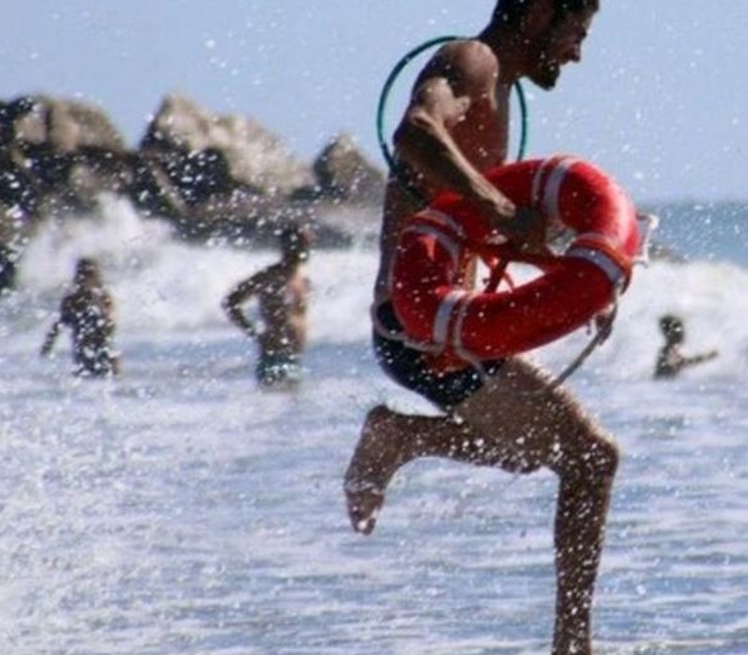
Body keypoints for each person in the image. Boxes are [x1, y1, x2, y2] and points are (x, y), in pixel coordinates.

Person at [343, 2, 614, 653]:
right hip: (419, 327)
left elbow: (474, 228)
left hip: (433, 329)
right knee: (591, 459)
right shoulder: (472, 60)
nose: (576, 53)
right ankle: (572, 646)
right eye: (574, 34)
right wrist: (496, 201)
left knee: (540, 452)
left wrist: (588, 274)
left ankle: (401, 436)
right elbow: (414, 133)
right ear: (541, 12)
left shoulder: (501, 89)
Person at [222, 224, 313, 390]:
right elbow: (231, 302)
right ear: (287, 245)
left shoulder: (302, 278)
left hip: (295, 358)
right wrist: (255, 333)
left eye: (308, 243)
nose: (306, 248)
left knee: (294, 413)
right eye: (301, 243)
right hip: (274, 357)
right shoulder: (270, 276)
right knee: (274, 409)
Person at [40, 257, 121, 378]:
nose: (84, 279)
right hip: (83, 359)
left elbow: (110, 326)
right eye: (81, 275)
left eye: (88, 275)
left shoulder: (103, 297)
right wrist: (46, 348)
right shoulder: (71, 301)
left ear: (95, 277)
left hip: (105, 358)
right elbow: (58, 325)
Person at [653, 314, 718, 379]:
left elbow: (684, 362)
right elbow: (686, 362)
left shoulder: (668, 350)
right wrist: (707, 357)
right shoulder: (669, 352)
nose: (683, 334)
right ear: (671, 334)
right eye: (680, 331)